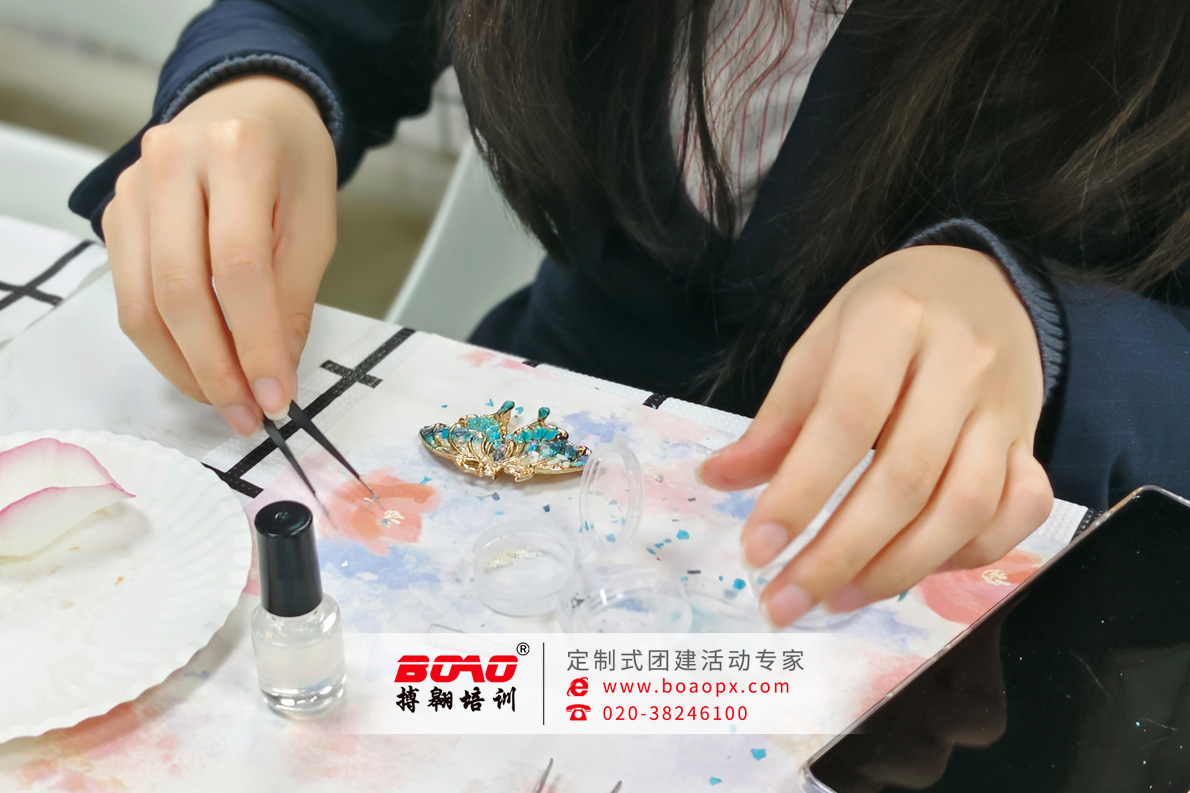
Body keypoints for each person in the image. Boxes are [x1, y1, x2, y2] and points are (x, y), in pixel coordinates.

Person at [70, 0, 1190, 628]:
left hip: (977, 601)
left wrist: (1047, 328)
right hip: (528, 478)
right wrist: (256, 87)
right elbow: (317, 20)